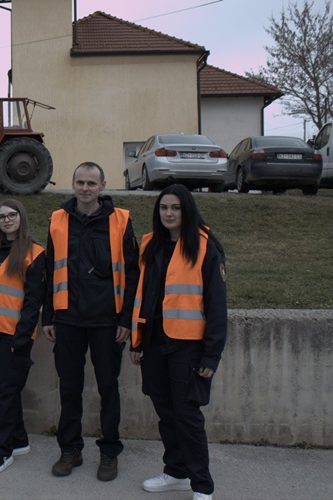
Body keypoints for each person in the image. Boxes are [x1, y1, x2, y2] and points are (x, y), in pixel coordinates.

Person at [42, 161, 140, 481]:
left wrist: (126, 319)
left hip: (106, 320)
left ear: (102, 186)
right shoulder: (58, 219)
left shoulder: (120, 220)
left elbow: (133, 273)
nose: (85, 188)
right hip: (67, 318)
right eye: (80, 182)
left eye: (91, 183)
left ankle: (109, 451)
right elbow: (50, 271)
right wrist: (48, 315)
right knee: (69, 388)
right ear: (73, 184)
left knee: (108, 388)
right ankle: (70, 448)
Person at [130, 184, 227, 500]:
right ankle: (176, 472)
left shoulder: (205, 246)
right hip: (154, 342)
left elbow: (217, 305)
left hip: (188, 345)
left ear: (187, 210)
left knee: (187, 416)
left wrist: (211, 355)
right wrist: (137, 342)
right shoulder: (151, 244)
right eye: (163, 208)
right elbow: (143, 296)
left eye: (175, 208)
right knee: (166, 412)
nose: (168, 213)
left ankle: (202, 486)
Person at [0, 199, 45, 475]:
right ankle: (18, 440)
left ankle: (0, 450)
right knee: (0, 390)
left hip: (15, 335)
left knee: (4, 393)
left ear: (21, 217)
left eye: (11, 215)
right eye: (1, 216)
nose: (6, 220)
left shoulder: (35, 253)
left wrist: (21, 339)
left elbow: (33, 302)